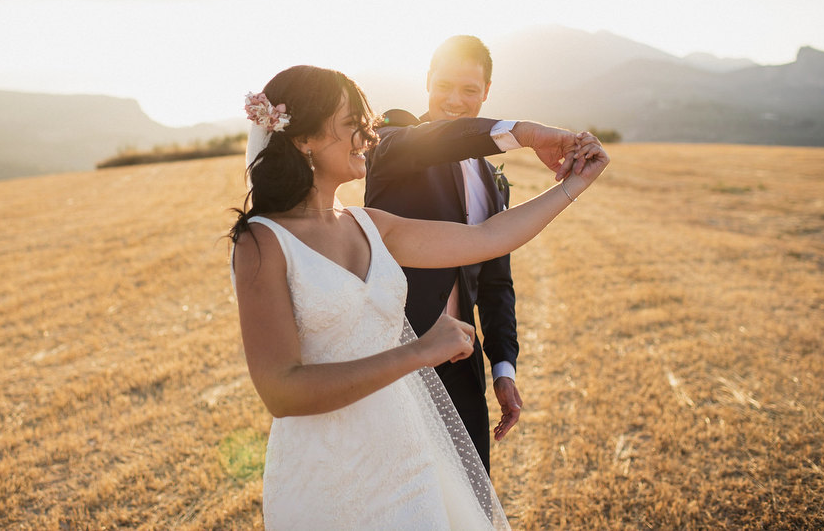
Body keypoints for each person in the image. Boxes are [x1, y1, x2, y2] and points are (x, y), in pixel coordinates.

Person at [229, 65, 607, 529]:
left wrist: (573, 185)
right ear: (304, 137)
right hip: (328, 471)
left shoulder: (371, 225)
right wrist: (419, 352)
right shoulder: (262, 242)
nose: (366, 137)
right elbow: (282, 392)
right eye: (351, 124)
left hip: (409, 455)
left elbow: (489, 237)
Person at [365, 35, 587, 474]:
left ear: (486, 92)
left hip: (463, 360)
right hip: (396, 354)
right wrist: (521, 132)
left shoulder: (492, 179)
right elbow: (433, 139)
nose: (454, 99)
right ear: (426, 81)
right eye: (444, 85)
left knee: (471, 491)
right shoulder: (395, 133)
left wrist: (504, 366)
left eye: (469, 90)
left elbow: (496, 282)